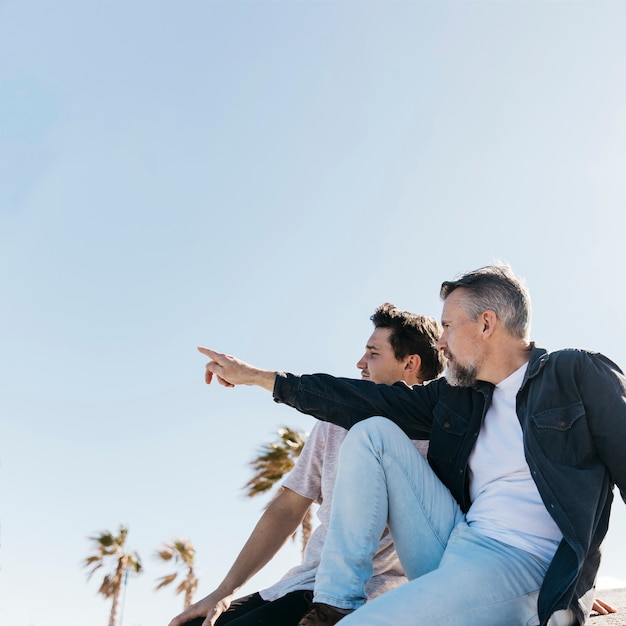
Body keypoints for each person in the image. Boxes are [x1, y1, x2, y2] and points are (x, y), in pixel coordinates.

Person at [197, 265, 626, 626]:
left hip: (524, 566)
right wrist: (260, 378)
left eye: (447, 326)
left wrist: (577, 584)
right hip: (456, 545)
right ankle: (334, 602)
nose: (440, 342)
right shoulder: (461, 397)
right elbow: (363, 400)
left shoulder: (576, 373)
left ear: (487, 324)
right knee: (373, 432)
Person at [169, 303, 446, 626]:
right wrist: (224, 591)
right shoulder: (334, 424)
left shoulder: (443, 436)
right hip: (298, 586)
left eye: (373, 353)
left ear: (410, 363)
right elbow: (288, 507)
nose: (360, 363)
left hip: (369, 600)